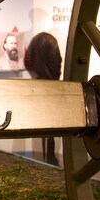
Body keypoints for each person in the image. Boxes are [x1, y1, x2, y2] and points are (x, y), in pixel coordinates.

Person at [24, 32, 63, 164]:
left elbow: (27, 61)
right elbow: (57, 60)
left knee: (43, 123)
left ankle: (45, 157)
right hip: (51, 85)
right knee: (51, 123)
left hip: (39, 84)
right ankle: (50, 157)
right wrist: (55, 77)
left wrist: (35, 76)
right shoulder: (52, 41)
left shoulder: (35, 40)